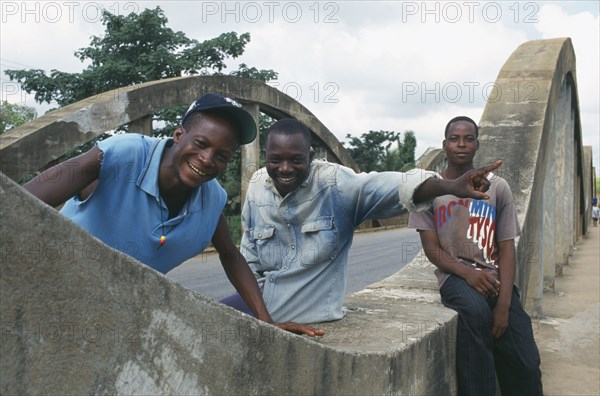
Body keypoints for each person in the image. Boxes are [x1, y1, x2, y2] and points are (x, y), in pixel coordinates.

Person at [23, 94, 320, 336]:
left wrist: (266, 321)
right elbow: (26, 200)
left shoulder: (212, 198)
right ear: (179, 134)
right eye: (201, 144)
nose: (207, 160)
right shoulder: (123, 155)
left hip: (116, 320)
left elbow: (230, 254)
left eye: (221, 156)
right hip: (46, 294)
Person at [221, 118, 502, 324]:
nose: (284, 169)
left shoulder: (335, 185)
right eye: (274, 160)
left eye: (295, 160)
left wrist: (449, 186)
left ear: (310, 156)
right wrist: (261, 318)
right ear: (266, 158)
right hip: (261, 308)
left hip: (307, 315)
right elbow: (249, 258)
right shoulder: (258, 184)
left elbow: (397, 186)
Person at [408, 116, 543, 395]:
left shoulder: (498, 187)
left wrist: (505, 304)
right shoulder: (427, 191)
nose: (461, 144)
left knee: (525, 358)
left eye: (468, 139)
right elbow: (432, 249)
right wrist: (467, 272)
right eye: (454, 139)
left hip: (494, 277)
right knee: (475, 311)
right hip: (455, 275)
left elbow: (507, 247)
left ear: (477, 144)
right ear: (444, 145)